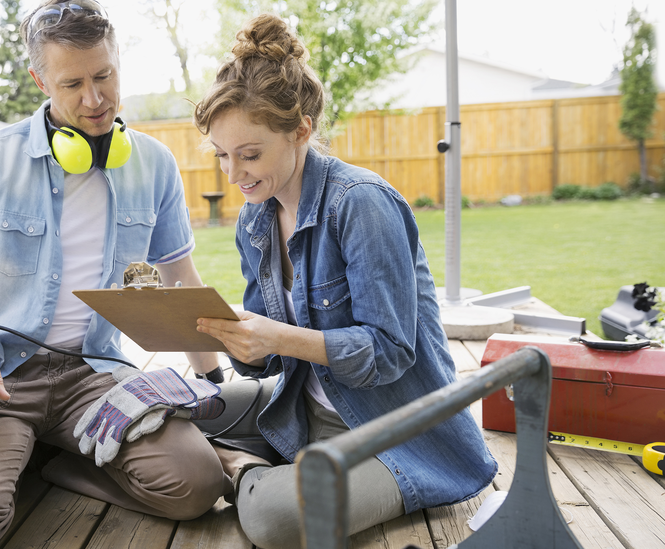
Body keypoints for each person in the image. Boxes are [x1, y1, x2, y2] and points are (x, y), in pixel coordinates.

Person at [0, 2, 231, 546]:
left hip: (95, 375)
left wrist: (215, 382)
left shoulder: (153, 163)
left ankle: (58, 464)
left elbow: (181, 278)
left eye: (104, 75)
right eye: (73, 83)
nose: (95, 98)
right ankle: (1, 456)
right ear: (39, 80)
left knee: (197, 484)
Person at [192, 14, 498, 549]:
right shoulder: (255, 218)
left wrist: (277, 337)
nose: (234, 173)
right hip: (304, 406)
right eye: (222, 155)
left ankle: (241, 469)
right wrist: (233, 336)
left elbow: (390, 352)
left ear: (300, 131)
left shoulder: (360, 203)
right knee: (174, 415)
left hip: (392, 432)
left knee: (273, 518)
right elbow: (264, 359)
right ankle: (268, 460)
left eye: (250, 154)